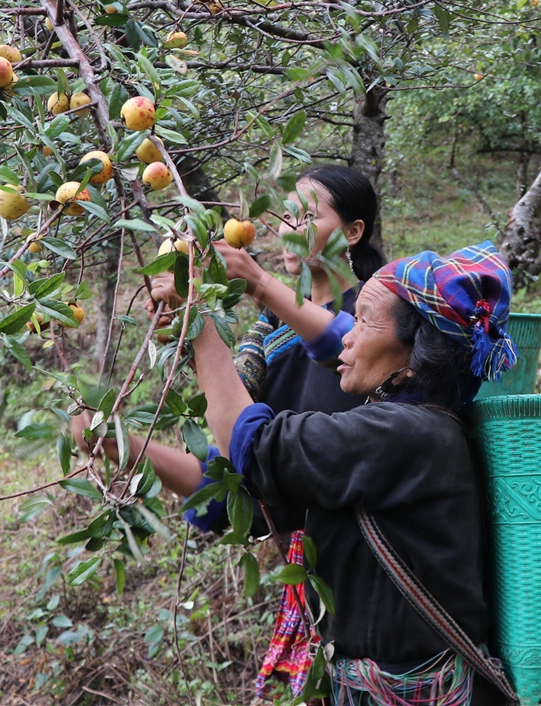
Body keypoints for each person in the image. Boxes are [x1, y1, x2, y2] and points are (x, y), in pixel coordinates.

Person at [72, 164, 384, 696]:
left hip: (379, 571)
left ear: (353, 232)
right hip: (316, 591)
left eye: (309, 216)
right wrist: (123, 446)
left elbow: (345, 342)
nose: (288, 228)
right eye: (285, 215)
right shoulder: (265, 338)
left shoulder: (378, 320)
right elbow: (228, 479)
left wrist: (259, 284)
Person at [193, 242, 517, 706]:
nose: (348, 335)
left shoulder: (401, 433)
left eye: (365, 320)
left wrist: (202, 326)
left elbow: (255, 448)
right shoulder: (425, 423)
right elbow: (331, 342)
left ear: (416, 345)